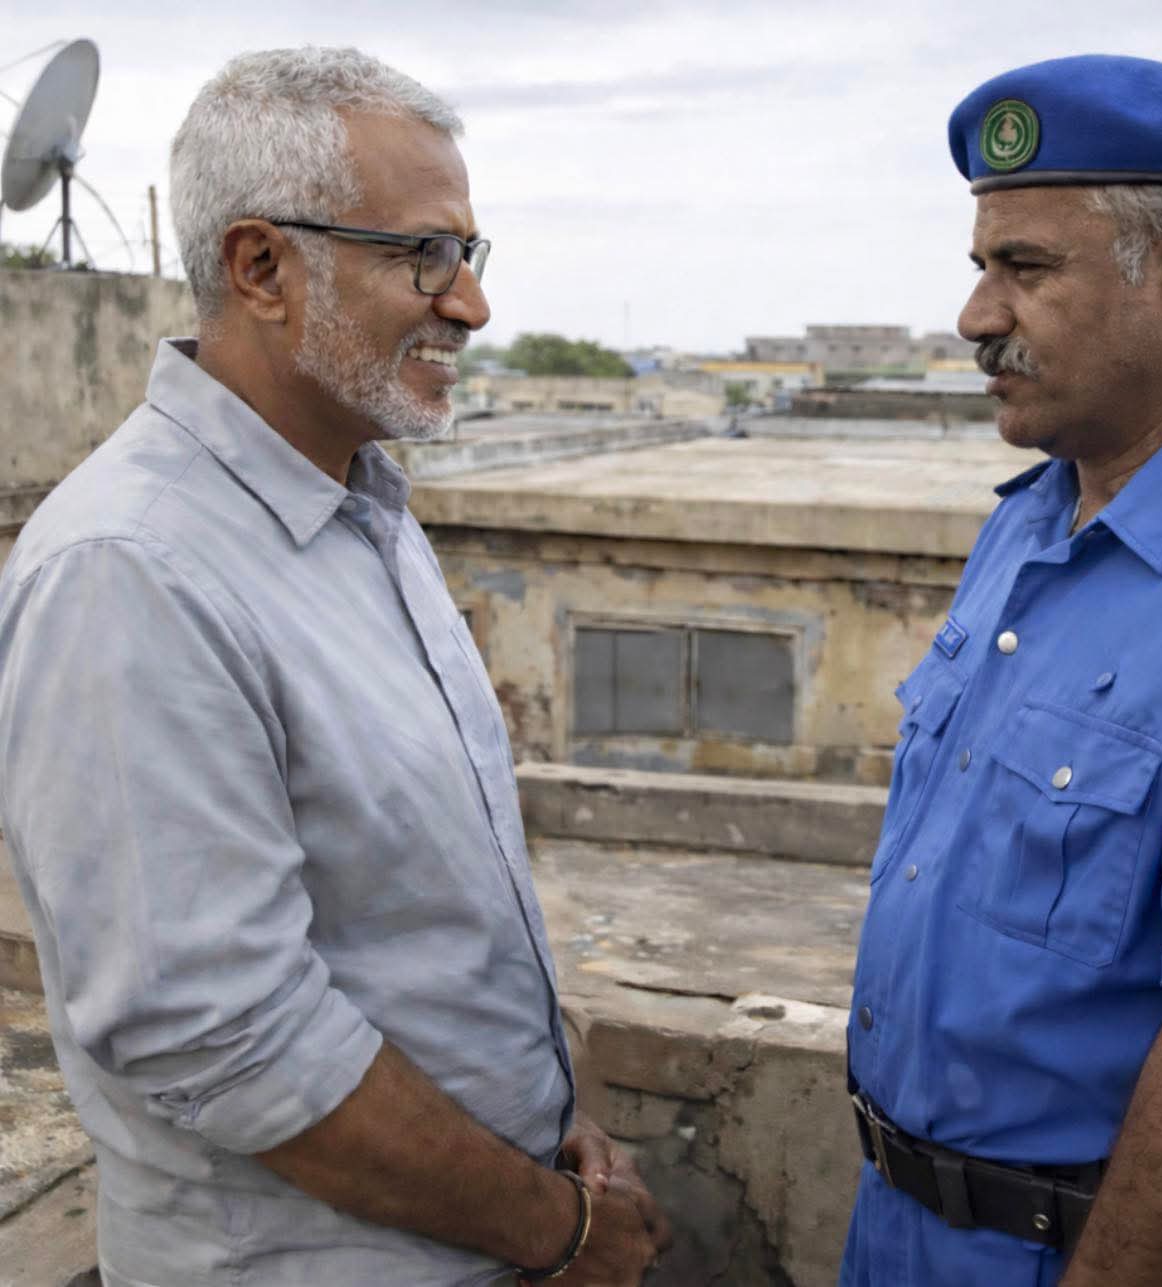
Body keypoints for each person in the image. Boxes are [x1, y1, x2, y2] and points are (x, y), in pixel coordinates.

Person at [0, 47, 669, 1287]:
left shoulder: (360, 506)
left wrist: (548, 1120)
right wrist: (553, 1226)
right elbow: (222, 1034)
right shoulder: (132, 570)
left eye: (469, 253)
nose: (471, 304)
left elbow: (421, 915)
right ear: (263, 267)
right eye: (425, 254)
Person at [840, 54, 1162, 1287]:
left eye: (1026, 269)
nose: (976, 316)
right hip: (896, 1230)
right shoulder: (1032, 523)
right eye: (982, 266)